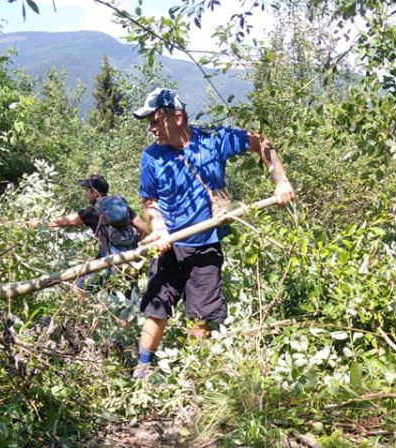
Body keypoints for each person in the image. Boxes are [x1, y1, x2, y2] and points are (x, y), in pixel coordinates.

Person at [131, 88, 295, 379]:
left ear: (177, 118)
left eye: (156, 121)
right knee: (156, 307)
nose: (151, 128)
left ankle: (195, 378)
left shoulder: (213, 141)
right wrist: (158, 226)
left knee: (201, 315)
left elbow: (260, 142)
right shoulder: (152, 157)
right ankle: (142, 369)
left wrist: (280, 181)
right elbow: (150, 200)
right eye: (150, 123)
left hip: (205, 244)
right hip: (168, 245)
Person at [31, 175, 147, 292]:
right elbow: (143, 229)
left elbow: (66, 221)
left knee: (78, 288)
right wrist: (138, 253)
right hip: (131, 263)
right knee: (129, 298)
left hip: (109, 264)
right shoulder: (122, 206)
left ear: (94, 192)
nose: (85, 193)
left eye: (87, 190)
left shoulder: (93, 211)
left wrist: (36, 224)